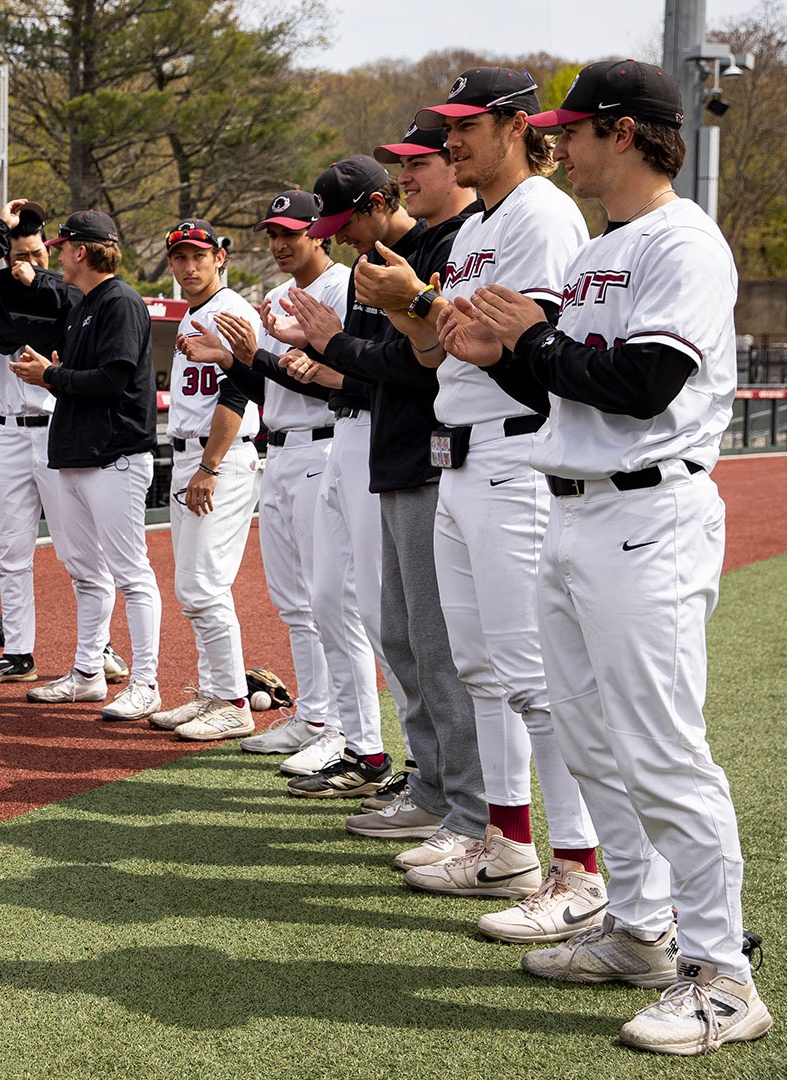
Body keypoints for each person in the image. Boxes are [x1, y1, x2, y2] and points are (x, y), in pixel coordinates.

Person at [441, 60, 769, 1053]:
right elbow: (567, 385)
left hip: (650, 514)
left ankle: (723, 975)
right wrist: (508, 353)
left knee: (663, 751)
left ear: (623, 133)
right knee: (590, 742)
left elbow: (645, 382)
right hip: (575, 510)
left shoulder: (684, 241)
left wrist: (533, 343)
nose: (562, 147)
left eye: (575, 131)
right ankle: (638, 927)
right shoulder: (600, 251)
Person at [374, 68, 600, 924]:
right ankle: (507, 841)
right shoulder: (477, 225)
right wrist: (408, 310)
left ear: (516, 127)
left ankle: (579, 869)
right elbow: (438, 351)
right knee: (481, 669)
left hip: (514, 452)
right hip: (460, 452)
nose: (451, 141)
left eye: (467, 126)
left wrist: (421, 298)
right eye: (449, 127)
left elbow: (515, 345)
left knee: (533, 677)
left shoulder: (541, 212)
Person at [264, 155, 483, 854]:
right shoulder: (380, 260)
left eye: (346, 221)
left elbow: (419, 363)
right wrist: (322, 347)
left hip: (430, 454)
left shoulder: (439, 249)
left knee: (441, 648)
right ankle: (432, 789)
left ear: (378, 202)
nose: (341, 236)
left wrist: (333, 345)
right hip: (382, 449)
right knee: (399, 635)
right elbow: (379, 365)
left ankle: (468, 810)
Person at [179, 190, 351, 776]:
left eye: (290, 233)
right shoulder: (275, 298)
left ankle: (341, 729)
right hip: (278, 450)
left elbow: (328, 379)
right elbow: (268, 387)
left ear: (319, 231)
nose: (279, 244)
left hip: (325, 443)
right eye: (273, 234)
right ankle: (314, 715)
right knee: (294, 603)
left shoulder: (341, 287)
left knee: (329, 601)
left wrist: (255, 357)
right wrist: (233, 361)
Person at [8, 210, 161, 719]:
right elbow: (82, 378)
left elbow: (113, 380)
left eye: (62, 247)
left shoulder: (120, 301)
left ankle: (146, 682)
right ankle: (88, 673)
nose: (56, 255)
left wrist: (51, 375)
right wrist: (54, 373)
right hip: (78, 454)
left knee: (130, 573)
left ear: (80, 251)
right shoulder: (84, 304)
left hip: (115, 456)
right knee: (86, 572)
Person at [0, 199, 79, 684]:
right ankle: (19, 653)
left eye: (38, 253)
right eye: (20, 256)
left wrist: (40, 280)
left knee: (76, 549)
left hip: (58, 426)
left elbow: (81, 301)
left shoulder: (68, 291)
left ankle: (99, 650)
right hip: (9, 432)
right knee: (10, 549)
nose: (30, 263)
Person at [149, 220, 260, 739]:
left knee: (203, 586)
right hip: (192, 454)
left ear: (220, 257)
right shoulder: (195, 312)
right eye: (180, 257)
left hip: (220, 457)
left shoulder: (231, 310)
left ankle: (234, 702)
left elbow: (239, 390)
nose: (189, 266)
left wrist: (210, 466)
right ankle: (213, 692)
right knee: (193, 586)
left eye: (199, 255)